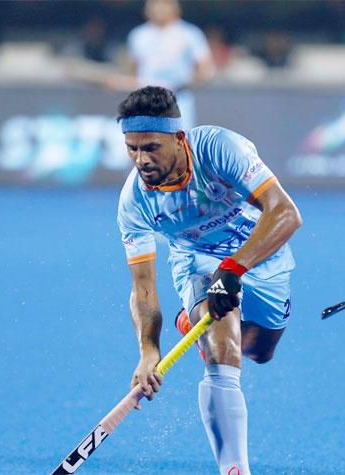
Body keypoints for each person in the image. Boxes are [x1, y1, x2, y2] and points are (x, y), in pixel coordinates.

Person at [117, 86, 301, 474]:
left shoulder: (219, 149)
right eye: (132, 148)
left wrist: (234, 268)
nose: (140, 159)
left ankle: (194, 323)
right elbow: (144, 288)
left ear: (179, 138)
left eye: (150, 147)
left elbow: (285, 213)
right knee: (223, 348)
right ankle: (234, 468)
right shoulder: (134, 202)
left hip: (258, 249)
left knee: (260, 350)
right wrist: (149, 350)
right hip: (196, 261)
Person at [110, 0, 215, 130]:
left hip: (177, 101)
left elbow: (206, 69)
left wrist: (184, 83)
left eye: (164, 3)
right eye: (154, 3)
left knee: (178, 143)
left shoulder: (190, 34)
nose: (159, 8)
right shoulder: (138, 35)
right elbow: (131, 71)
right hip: (146, 103)